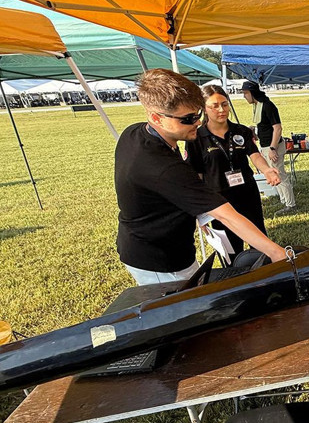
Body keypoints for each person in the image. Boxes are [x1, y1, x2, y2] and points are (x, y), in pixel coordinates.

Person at [114, 69, 286, 285]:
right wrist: (277, 253)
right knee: (181, 309)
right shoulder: (165, 169)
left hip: (160, 242)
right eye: (187, 118)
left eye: (197, 114)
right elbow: (225, 215)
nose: (197, 122)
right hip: (159, 257)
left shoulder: (134, 132)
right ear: (156, 117)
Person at [185, 85, 281, 261]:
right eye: (214, 106)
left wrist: (267, 170)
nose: (221, 110)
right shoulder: (196, 138)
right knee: (231, 250)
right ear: (204, 108)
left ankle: (264, 276)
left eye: (224, 104)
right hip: (219, 201)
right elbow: (196, 175)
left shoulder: (241, 131)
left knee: (259, 240)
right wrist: (200, 211)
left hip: (247, 194)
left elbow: (255, 155)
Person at [240, 80, 296, 215]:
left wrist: (272, 148)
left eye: (245, 93)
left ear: (252, 93)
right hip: (265, 145)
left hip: (273, 147)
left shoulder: (268, 106)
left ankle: (291, 204)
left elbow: (277, 128)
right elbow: (265, 128)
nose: (244, 96)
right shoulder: (258, 106)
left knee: (280, 175)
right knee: (275, 174)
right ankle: (284, 200)